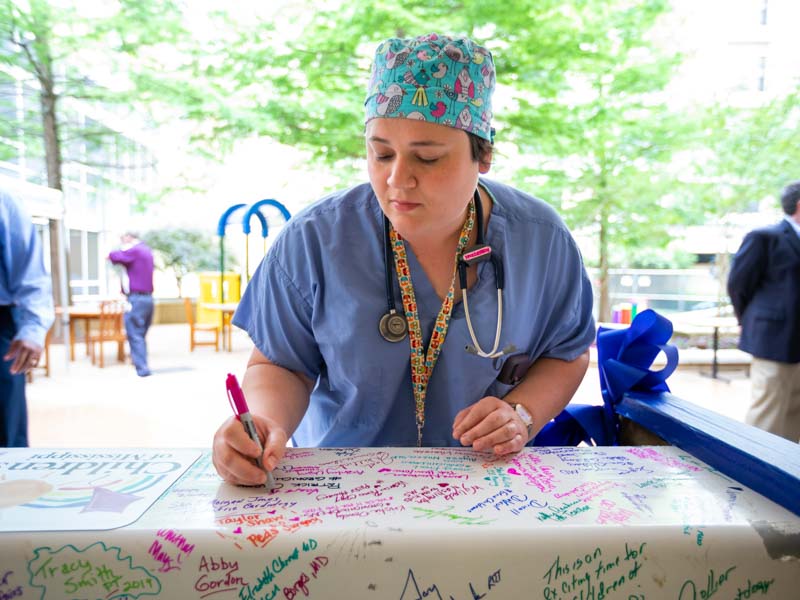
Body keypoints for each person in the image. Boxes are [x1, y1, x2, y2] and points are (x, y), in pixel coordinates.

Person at [212, 33, 596, 485]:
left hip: (487, 491)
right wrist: (262, 424)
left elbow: (566, 354)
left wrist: (521, 413)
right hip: (342, 490)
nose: (397, 179)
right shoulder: (315, 239)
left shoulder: (542, 242)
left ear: (484, 154)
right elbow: (280, 363)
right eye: (381, 153)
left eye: (427, 158)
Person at [727, 180, 800, 442]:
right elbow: (738, 284)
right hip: (773, 339)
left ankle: (789, 473)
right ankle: (756, 476)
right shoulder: (764, 237)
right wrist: (747, 320)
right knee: (767, 412)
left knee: (795, 415)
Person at [0, 187, 55, 447]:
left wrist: (33, 327)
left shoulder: (5, 200)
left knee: (5, 438)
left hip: (1, 328)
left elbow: (30, 273)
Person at [108, 232, 154, 377]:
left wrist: (113, 252)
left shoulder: (135, 250)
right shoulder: (146, 250)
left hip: (137, 299)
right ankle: (141, 364)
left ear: (128, 237)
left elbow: (114, 256)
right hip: (148, 299)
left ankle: (142, 368)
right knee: (140, 334)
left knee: (135, 334)